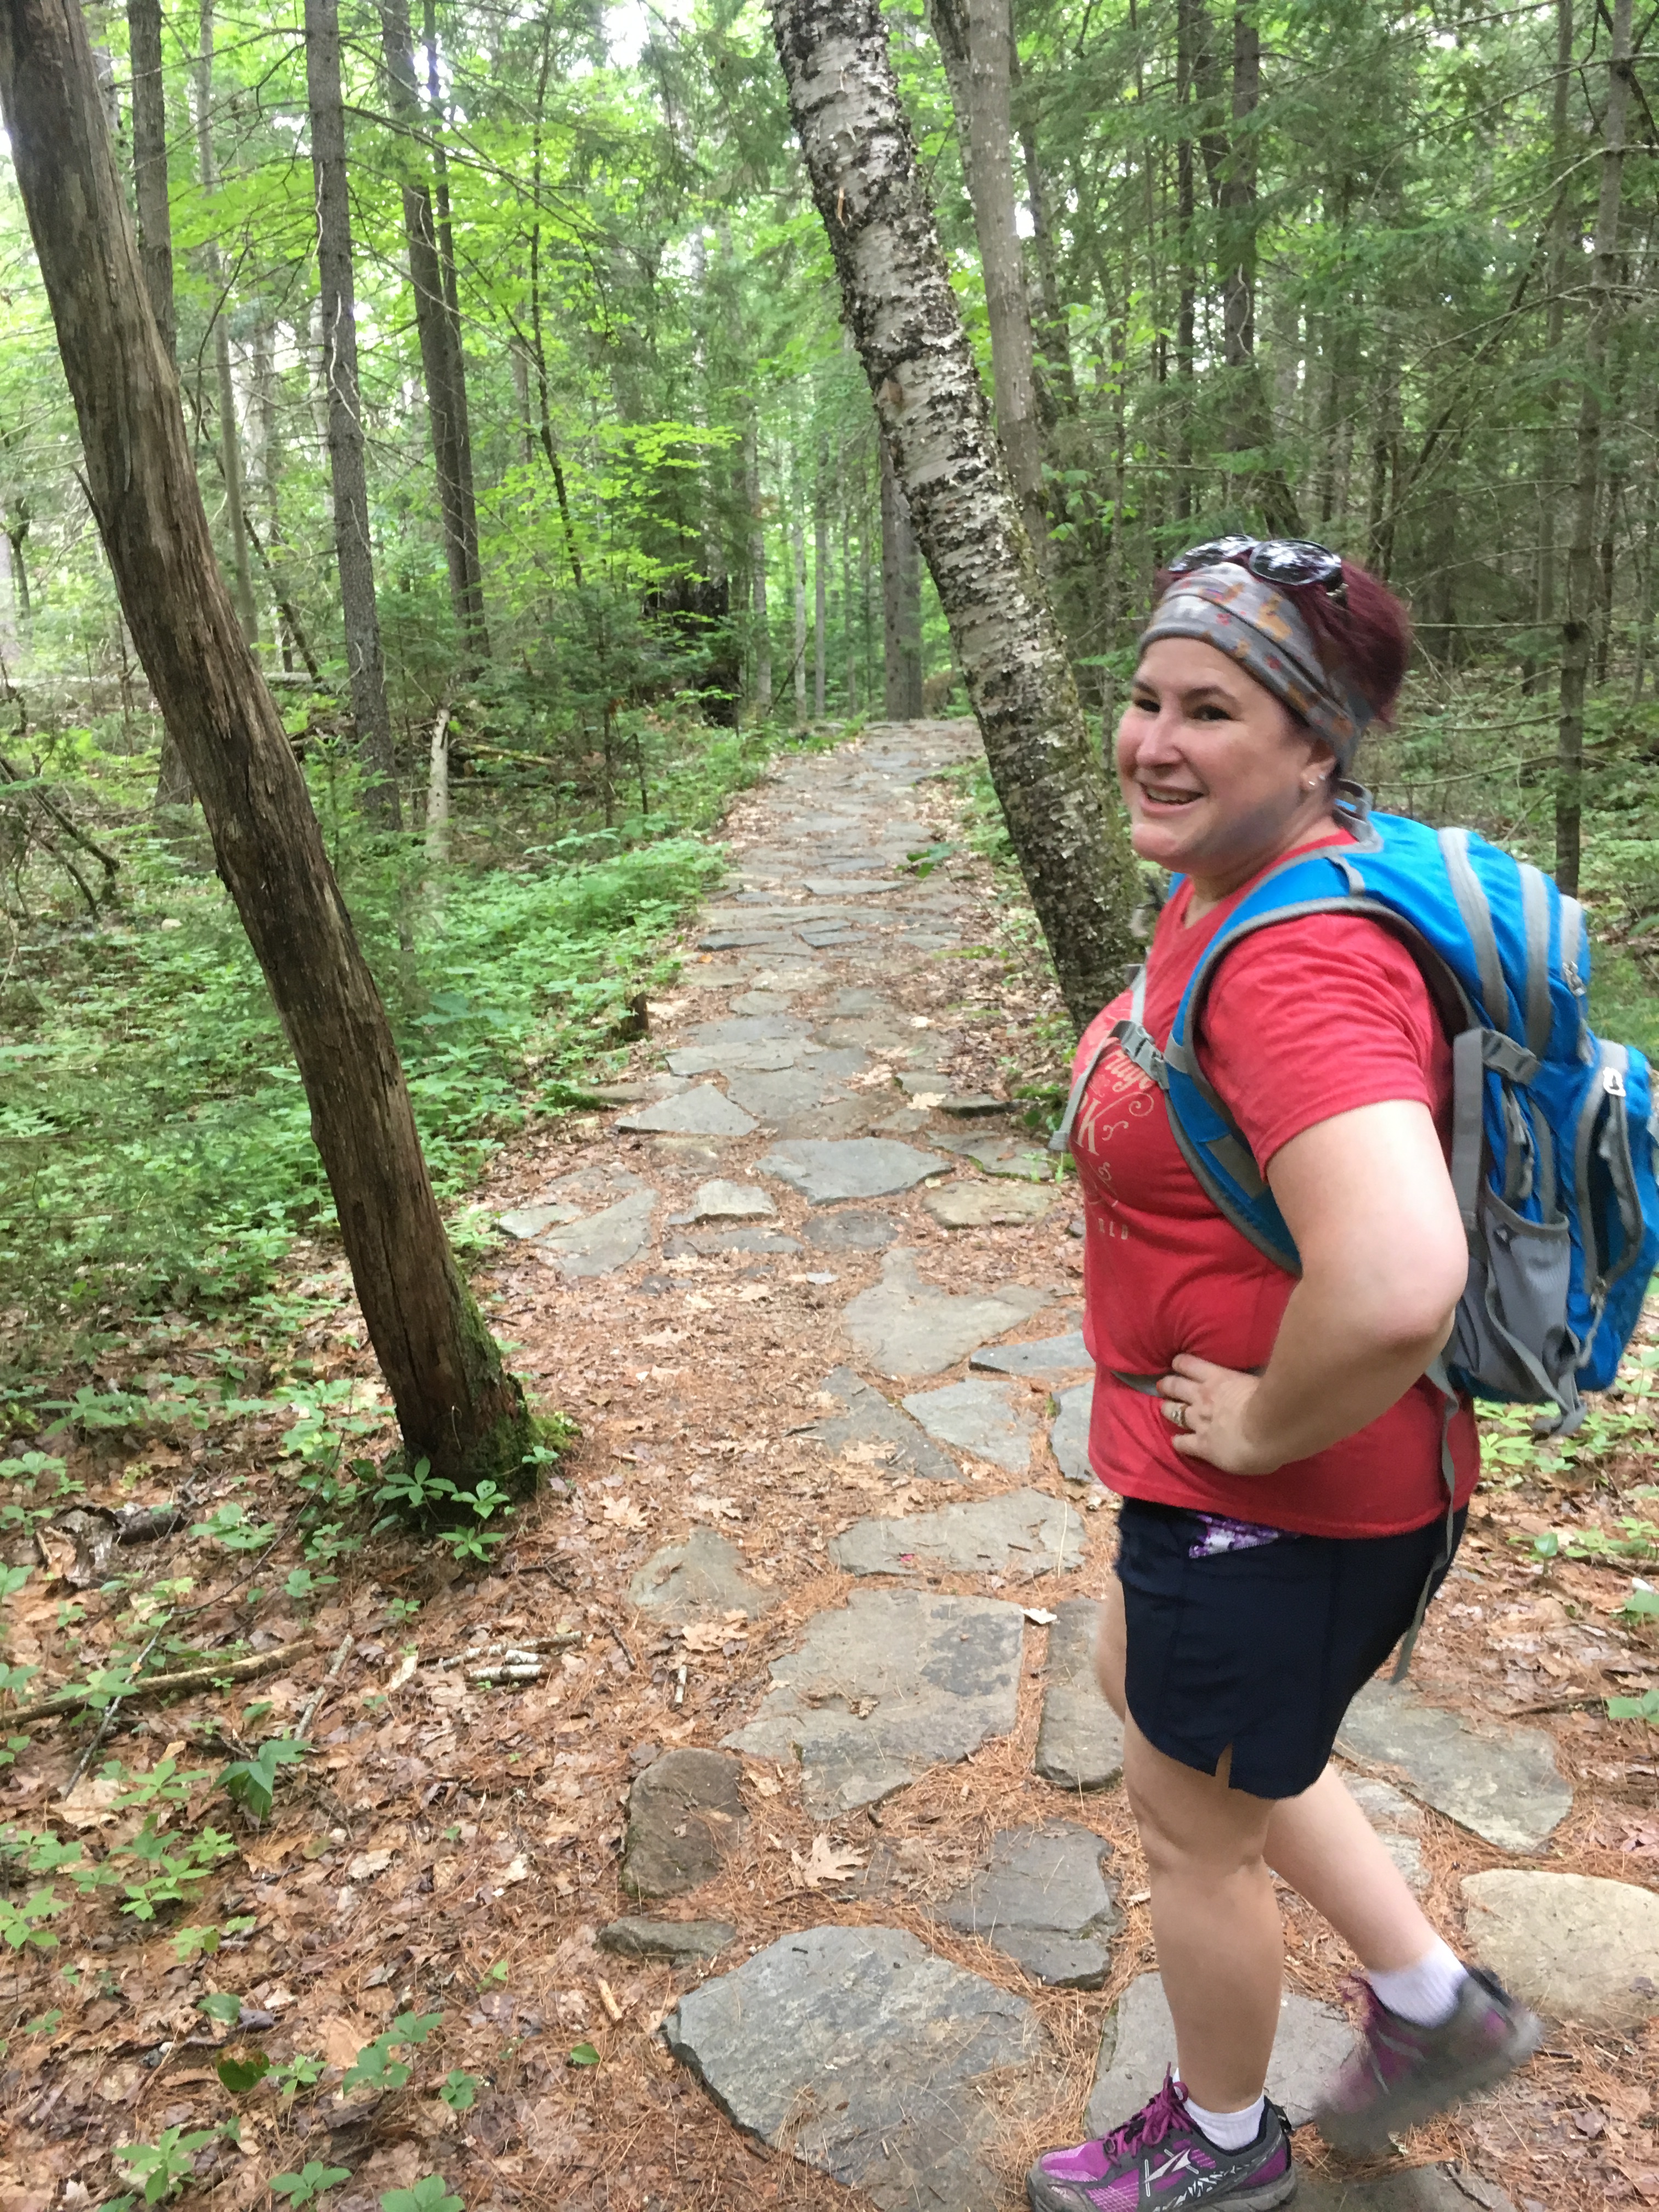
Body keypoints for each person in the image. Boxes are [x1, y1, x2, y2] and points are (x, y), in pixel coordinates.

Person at [1026, 541, 1541, 2212]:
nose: (1153, 741)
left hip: (1287, 1499)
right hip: (1251, 1495)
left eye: (1213, 712)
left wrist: (1256, 1426)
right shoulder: (1245, 882)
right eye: (1145, 698)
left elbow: (1393, 1283)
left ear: (1318, 746)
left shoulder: (1297, 961)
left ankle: (1222, 2141)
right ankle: (1434, 2002)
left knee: (1196, 1831)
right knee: (1156, 1692)